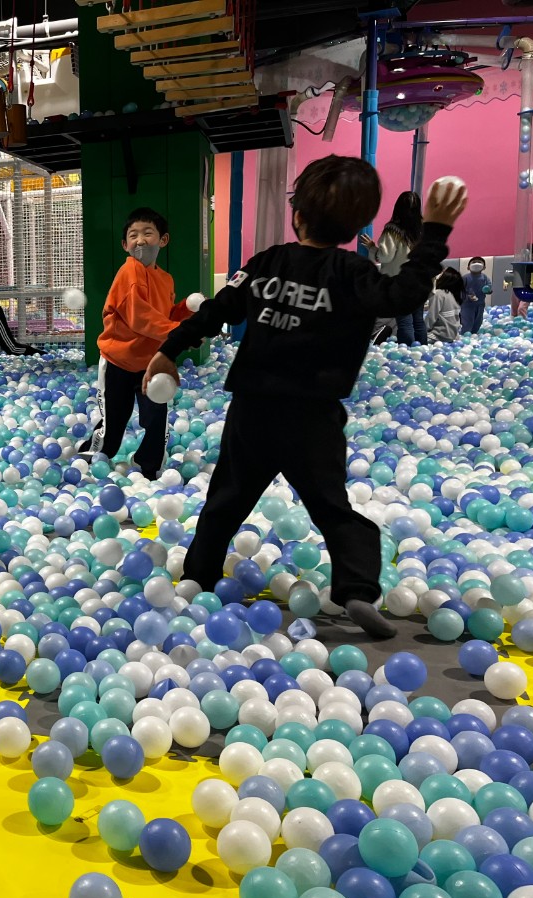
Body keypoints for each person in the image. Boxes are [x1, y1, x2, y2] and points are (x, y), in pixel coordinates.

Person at [143, 157, 466, 640]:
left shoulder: (267, 263)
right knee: (332, 507)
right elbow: (403, 295)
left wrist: (169, 349)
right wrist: (435, 231)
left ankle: (197, 579)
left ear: (297, 216)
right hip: (313, 414)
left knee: (225, 501)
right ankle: (356, 588)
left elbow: (217, 310)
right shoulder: (354, 272)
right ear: (358, 227)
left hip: (254, 408)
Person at [87, 207, 195, 480]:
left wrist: (186, 311)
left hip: (151, 363)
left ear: (163, 240)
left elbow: (163, 316)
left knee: (157, 418)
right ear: (125, 245)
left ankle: (149, 468)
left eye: (148, 233)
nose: (140, 240)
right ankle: (92, 457)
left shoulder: (165, 279)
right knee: (114, 421)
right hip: (118, 361)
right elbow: (139, 316)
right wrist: (180, 332)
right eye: (133, 235)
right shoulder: (129, 271)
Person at [367, 191, 427, 345]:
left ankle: (408, 352)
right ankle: (422, 348)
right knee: (418, 320)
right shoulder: (423, 228)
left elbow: (385, 256)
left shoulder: (393, 229)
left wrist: (372, 248)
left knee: (405, 320)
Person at [427, 267, 463, 343]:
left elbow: (431, 317)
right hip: (453, 335)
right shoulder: (453, 294)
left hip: (440, 335)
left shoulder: (438, 294)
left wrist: (422, 331)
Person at [459, 257, 491, 334]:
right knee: (467, 320)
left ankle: (474, 334)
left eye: (479, 262)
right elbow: (460, 290)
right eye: (474, 262)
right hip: (467, 304)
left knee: (478, 321)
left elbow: (489, 287)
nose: (476, 264)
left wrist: (488, 290)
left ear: (484, 267)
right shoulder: (465, 278)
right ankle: (465, 334)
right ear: (468, 267)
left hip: (480, 304)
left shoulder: (485, 278)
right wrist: (467, 296)